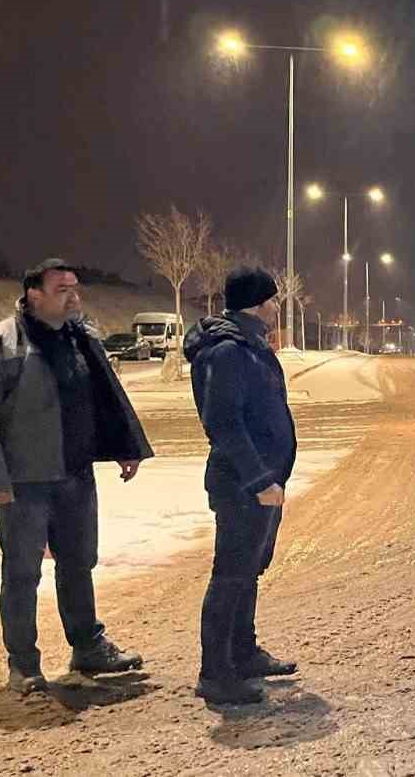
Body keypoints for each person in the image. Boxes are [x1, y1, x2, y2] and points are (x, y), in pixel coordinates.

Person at [0, 259, 153, 694]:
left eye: (75, 288)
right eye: (62, 288)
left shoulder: (81, 338)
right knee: (23, 572)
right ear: (34, 294)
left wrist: (126, 446)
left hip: (75, 475)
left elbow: (107, 397)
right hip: (24, 482)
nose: (73, 295)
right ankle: (23, 664)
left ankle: (87, 645)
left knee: (79, 563)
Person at [184, 266, 298, 706]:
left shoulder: (248, 343)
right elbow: (224, 424)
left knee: (249, 569)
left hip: (261, 481)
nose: (276, 307)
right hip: (242, 484)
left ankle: (243, 653)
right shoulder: (228, 351)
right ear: (257, 303)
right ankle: (215, 673)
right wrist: (259, 479)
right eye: (272, 300)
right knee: (230, 574)